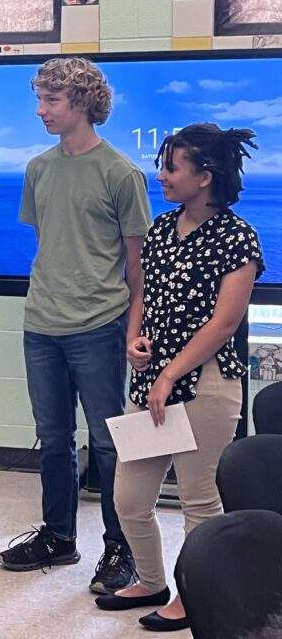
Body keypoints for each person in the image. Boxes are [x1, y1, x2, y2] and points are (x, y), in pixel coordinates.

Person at [95, 124, 263, 632]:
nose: (161, 174)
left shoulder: (238, 237)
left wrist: (170, 372)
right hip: (154, 386)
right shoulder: (163, 229)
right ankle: (151, 580)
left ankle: (197, 593)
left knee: (197, 500)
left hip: (206, 386)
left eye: (172, 166)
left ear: (205, 176)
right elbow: (142, 295)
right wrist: (135, 341)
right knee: (129, 497)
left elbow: (224, 322)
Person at [0, 57, 152, 594]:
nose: (40, 111)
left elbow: (137, 265)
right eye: (39, 100)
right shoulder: (39, 169)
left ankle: (120, 547)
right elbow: (50, 243)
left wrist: (134, 328)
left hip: (100, 324)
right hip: (41, 323)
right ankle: (59, 537)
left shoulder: (121, 173)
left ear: (82, 103)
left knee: (108, 444)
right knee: (53, 438)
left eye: (51, 101)